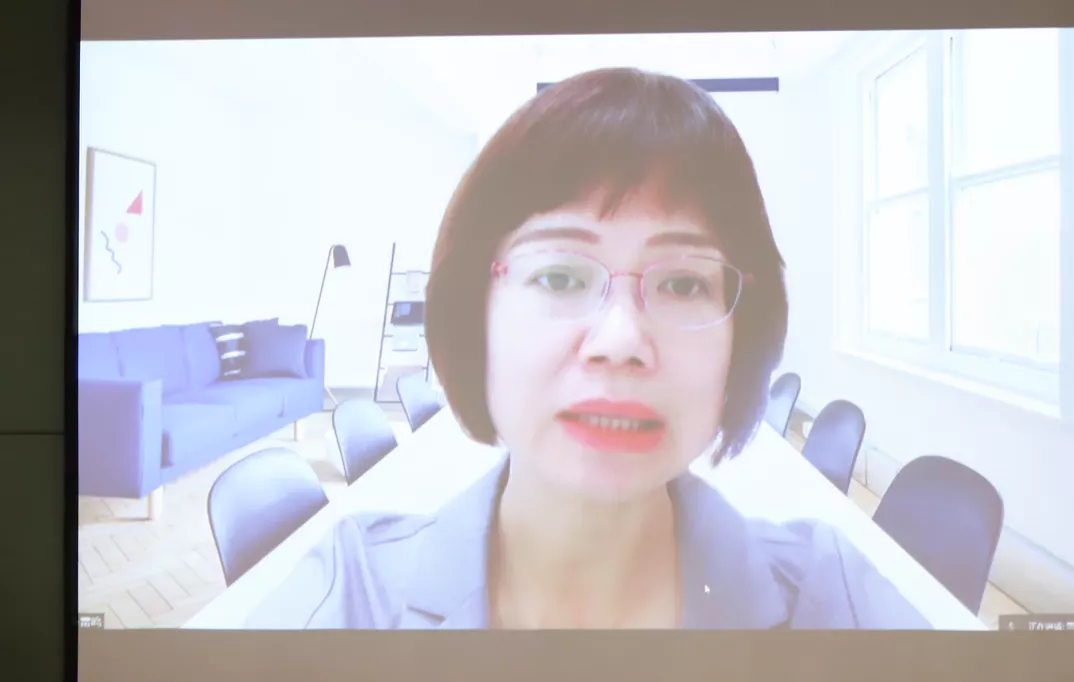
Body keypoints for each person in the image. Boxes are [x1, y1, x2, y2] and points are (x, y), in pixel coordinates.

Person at [246, 67, 932, 630]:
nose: (620, 340)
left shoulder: (837, 601)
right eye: (559, 276)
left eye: (683, 283)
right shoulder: (347, 599)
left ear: (740, 337)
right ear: (474, 312)